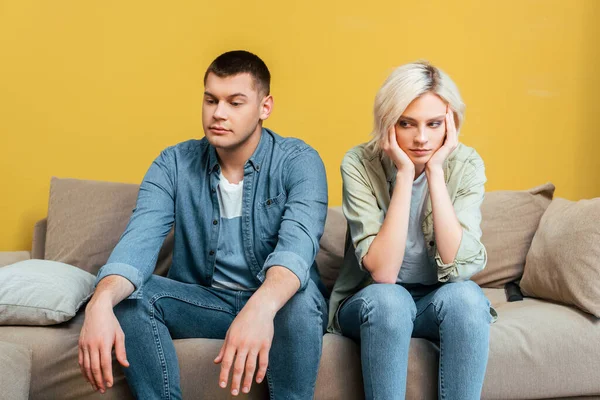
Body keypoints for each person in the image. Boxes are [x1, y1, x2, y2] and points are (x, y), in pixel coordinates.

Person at [78, 50, 329, 400]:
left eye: (235, 102)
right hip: (207, 302)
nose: (218, 113)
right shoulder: (173, 164)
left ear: (264, 107)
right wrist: (100, 303)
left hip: (279, 304)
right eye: (211, 100)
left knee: (299, 301)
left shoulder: (299, 162)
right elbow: (139, 242)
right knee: (129, 299)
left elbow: (296, 251)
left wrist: (261, 307)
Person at [328, 61, 496, 400]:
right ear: (389, 122)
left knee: (467, 298)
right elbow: (384, 274)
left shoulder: (465, 164)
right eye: (407, 124)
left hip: (436, 300)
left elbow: (456, 265)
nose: (421, 138)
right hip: (372, 301)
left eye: (434, 124)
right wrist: (405, 175)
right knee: (391, 300)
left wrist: (435, 172)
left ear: (450, 124)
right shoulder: (360, 163)